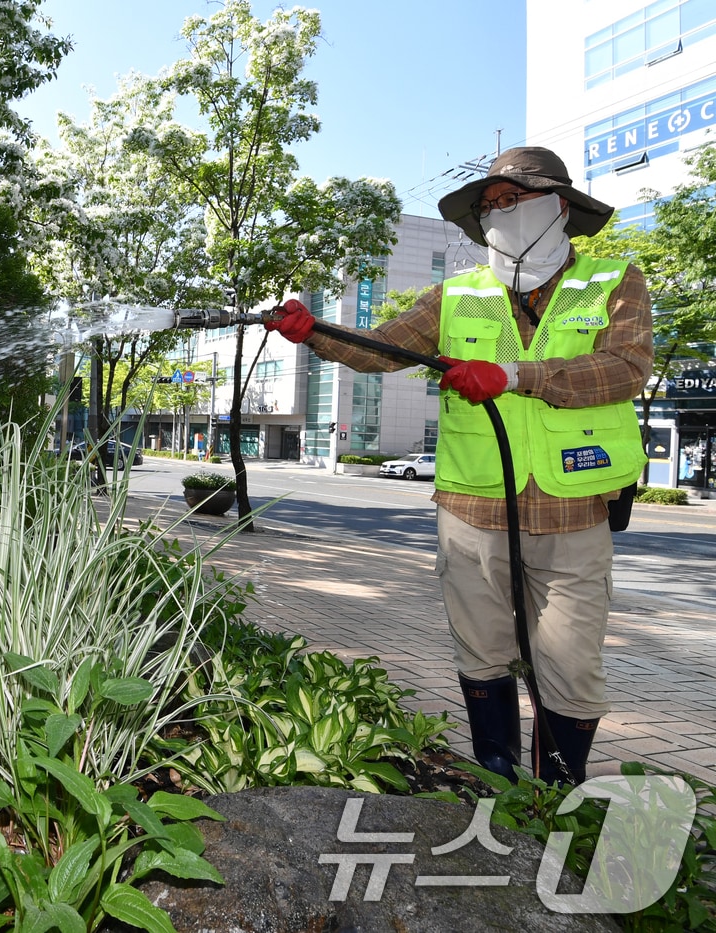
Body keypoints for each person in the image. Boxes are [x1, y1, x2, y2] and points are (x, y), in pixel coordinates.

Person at [265, 147, 653, 784]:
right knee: (483, 654)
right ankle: (499, 779)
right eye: (490, 206)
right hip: (472, 509)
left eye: (513, 200)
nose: (499, 214)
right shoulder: (458, 296)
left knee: (571, 664)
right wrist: (314, 333)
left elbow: (626, 367)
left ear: (558, 207)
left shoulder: (614, 281)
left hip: (573, 510)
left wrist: (513, 375)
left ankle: (558, 794)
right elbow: (383, 349)